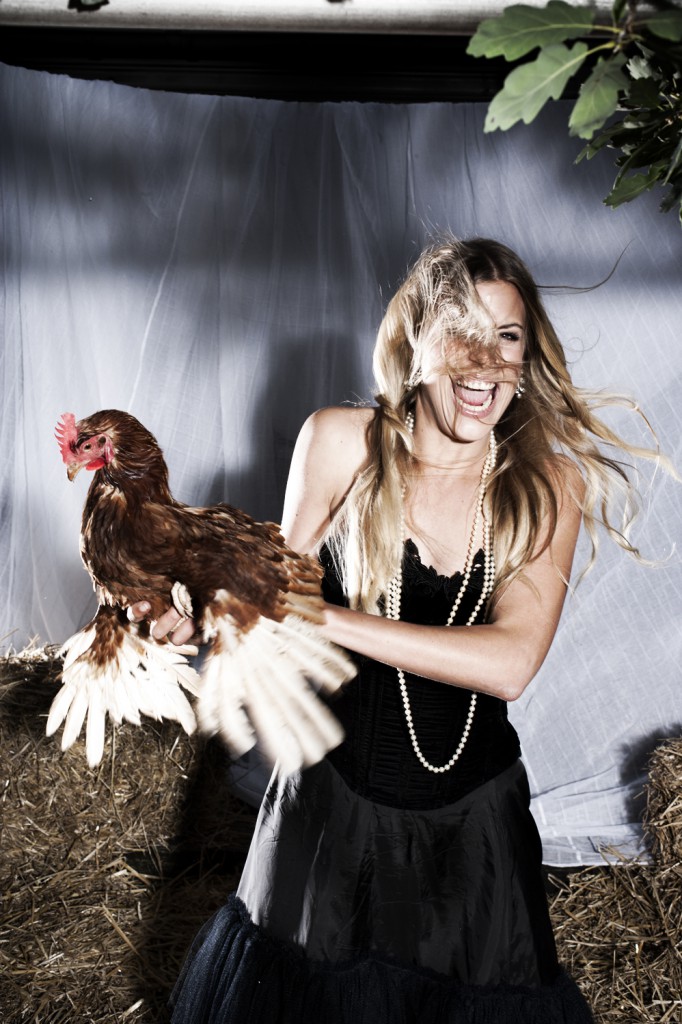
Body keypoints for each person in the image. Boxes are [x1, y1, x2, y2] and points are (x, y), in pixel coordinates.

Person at [154, 237, 662, 1023]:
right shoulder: (340, 443)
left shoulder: (545, 483)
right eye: (463, 332)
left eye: (507, 336)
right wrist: (193, 621)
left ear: (527, 357)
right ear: (416, 340)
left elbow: (511, 663)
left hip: (473, 835)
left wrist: (326, 616)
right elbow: (264, 617)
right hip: (327, 813)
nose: (485, 362)